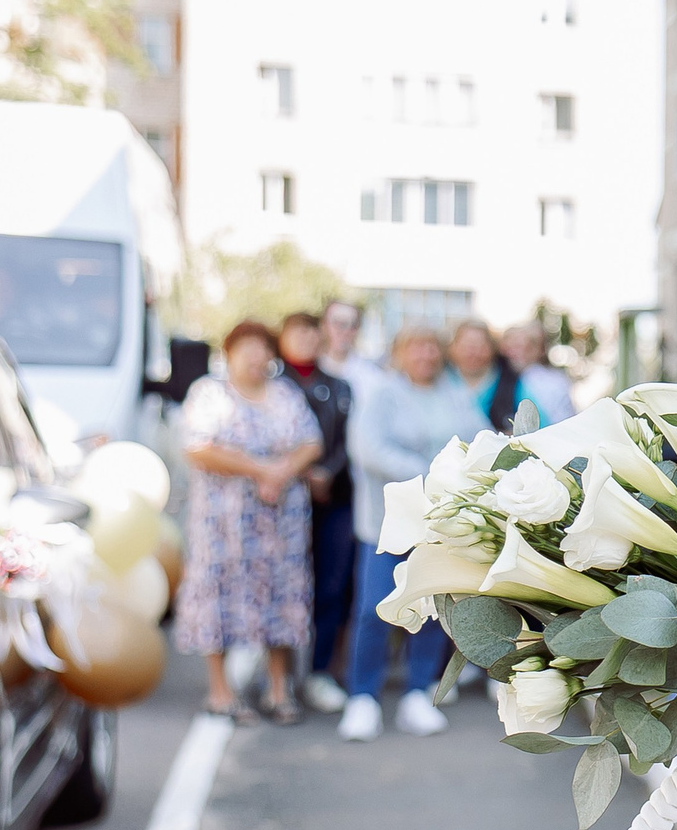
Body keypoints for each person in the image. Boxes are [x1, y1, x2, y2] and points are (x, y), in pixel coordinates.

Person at [342, 323, 488, 741]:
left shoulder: (455, 392)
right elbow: (368, 449)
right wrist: (427, 475)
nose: (425, 356)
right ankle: (362, 698)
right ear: (401, 353)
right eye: (416, 348)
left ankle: (418, 695)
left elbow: (476, 439)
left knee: (432, 608)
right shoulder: (383, 394)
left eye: (431, 348)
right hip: (387, 524)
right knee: (374, 609)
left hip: (441, 522)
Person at [177, 320, 321, 723]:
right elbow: (198, 447)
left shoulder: (284, 394)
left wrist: (281, 471)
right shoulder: (209, 393)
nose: (257, 357)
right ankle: (220, 692)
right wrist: (259, 469)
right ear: (230, 352)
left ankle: (278, 688)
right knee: (217, 595)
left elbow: (311, 442)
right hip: (224, 524)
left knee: (282, 596)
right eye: (248, 348)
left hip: (282, 523)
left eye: (264, 349)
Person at [278, 312, 357, 715]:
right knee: (284, 587)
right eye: (298, 332)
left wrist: (327, 472)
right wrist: (302, 471)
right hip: (283, 503)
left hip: (336, 499)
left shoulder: (340, 387)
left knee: (331, 587)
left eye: (312, 332)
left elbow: (350, 440)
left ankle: (321, 669)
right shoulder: (274, 387)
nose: (307, 339)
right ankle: (279, 675)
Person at [444, 318, 521, 435]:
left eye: (480, 346)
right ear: (453, 348)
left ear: (492, 348)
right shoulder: (439, 379)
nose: (473, 353)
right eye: (467, 346)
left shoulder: (514, 382)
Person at [497, 321, 576, 425]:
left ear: (541, 350)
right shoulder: (496, 377)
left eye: (526, 345)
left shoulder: (554, 382)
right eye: (512, 346)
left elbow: (563, 421)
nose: (517, 351)